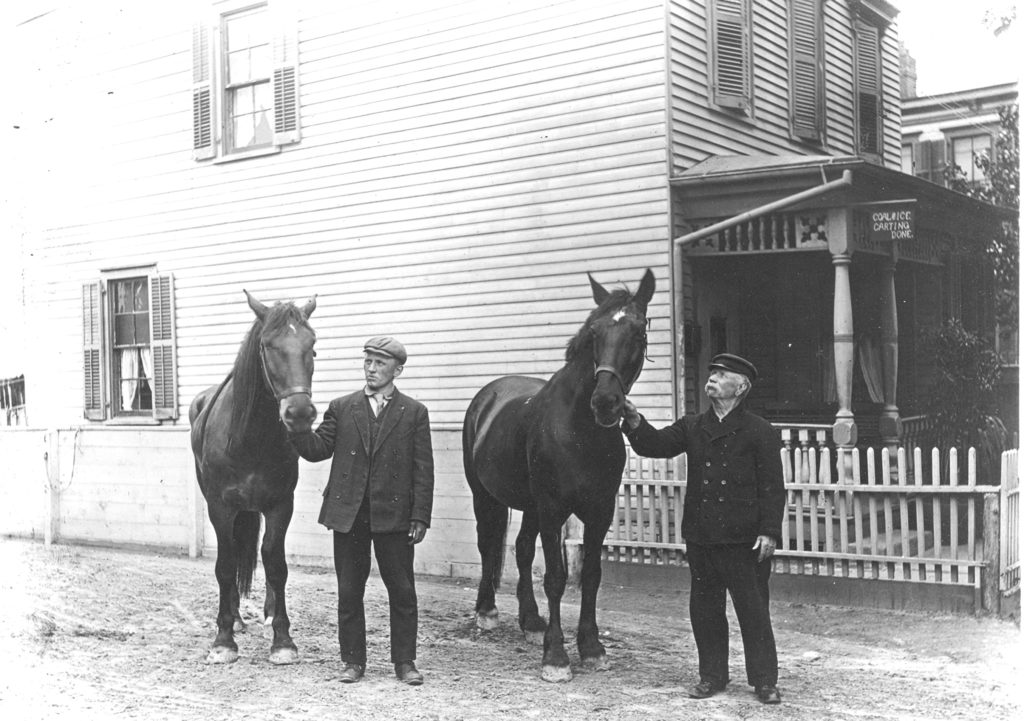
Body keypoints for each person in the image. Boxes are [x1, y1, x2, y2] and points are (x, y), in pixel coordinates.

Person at [621, 353, 785, 705]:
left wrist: (769, 531)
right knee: (706, 611)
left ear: (740, 387)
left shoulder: (760, 431)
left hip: (745, 542)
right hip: (703, 538)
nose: (711, 377)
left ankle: (764, 681)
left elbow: (773, 487)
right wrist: (634, 421)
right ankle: (712, 676)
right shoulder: (693, 426)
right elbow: (657, 445)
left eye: (721, 374)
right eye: (710, 371)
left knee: (753, 612)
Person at [289, 336, 434, 685]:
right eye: (367, 362)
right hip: (349, 515)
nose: (371, 369)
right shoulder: (343, 407)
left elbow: (423, 469)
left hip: (394, 516)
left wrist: (420, 516)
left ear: (397, 370)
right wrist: (296, 426)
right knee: (349, 590)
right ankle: (353, 662)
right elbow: (317, 449)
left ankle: (405, 663)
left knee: (402, 591)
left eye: (379, 363)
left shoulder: (414, 412)